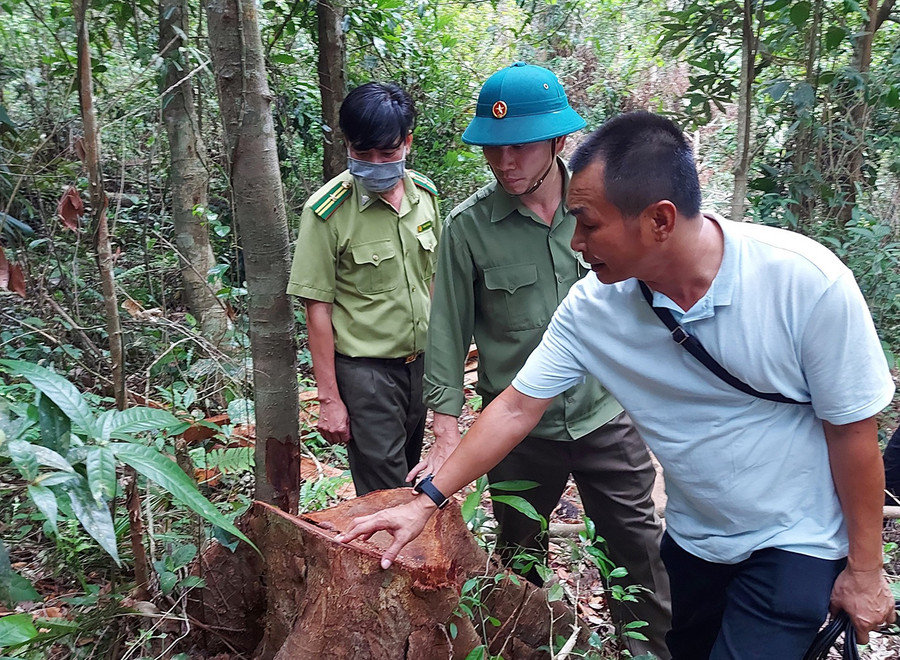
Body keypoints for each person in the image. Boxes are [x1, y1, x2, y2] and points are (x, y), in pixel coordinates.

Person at [337, 111, 897, 659]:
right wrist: (426, 501)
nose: (576, 241)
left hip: (794, 541)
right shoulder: (594, 306)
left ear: (659, 220)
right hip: (695, 539)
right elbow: (516, 407)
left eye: (589, 223)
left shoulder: (804, 282)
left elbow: (853, 432)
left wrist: (866, 571)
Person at [408, 62, 671, 659]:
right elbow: (446, 329)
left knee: (638, 553)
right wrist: (445, 431)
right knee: (519, 556)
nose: (505, 163)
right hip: (515, 428)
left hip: (606, 415)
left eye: (521, 147)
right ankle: (528, 648)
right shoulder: (469, 228)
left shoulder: (605, 208)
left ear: (558, 142)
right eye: (493, 150)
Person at [287, 82, 440, 496]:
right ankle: (390, 558)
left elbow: (432, 281)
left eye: (387, 153)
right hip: (366, 374)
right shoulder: (327, 212)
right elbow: (316, 308)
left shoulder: (424, 197)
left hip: (419, 367)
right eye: (362, 153)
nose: (375, 163)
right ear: (347, 146)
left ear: (407, 143)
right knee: (384, 491)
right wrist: (330, 400)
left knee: (408, 475)